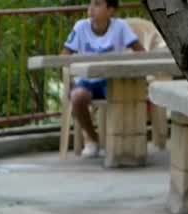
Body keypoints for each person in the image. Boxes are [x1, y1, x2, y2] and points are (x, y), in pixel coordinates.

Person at [61, 0, 145, 157]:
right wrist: (70, 79)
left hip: (112, 80)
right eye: (90, 3)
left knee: (127, 96)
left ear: (110, 11)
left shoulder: (120, 26)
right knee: (77, 97)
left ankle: (122, 143)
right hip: (87, 81)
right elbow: (64, 56)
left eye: (97, 4)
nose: (91, 8)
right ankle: (93, 139)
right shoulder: (80, 27)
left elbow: (141, 52)